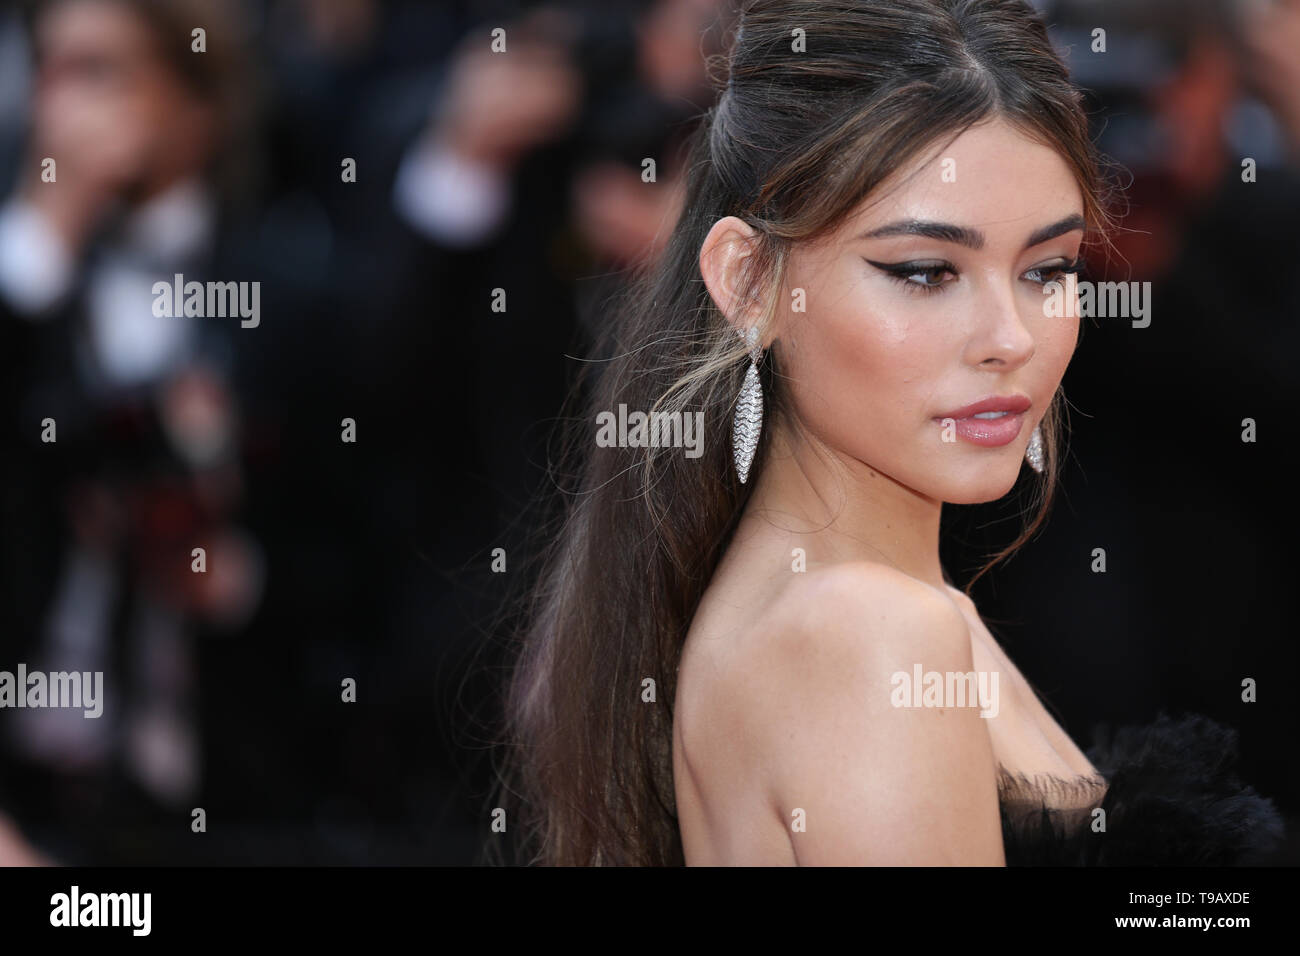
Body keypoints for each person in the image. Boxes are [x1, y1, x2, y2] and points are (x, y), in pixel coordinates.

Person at [497, 0, 1284, 865]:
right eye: (923, 272)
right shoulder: (869, 634)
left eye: (1049, 269)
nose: (1010, 337)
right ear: (749, 280)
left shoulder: (873, 607)